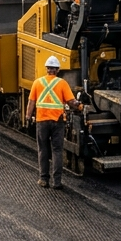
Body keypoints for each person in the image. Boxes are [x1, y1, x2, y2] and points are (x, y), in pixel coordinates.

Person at [26, 56, 75, 188]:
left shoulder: (37, 82)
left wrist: (28, 117)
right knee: (57, 150)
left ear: (47, 69)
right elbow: (71, 102)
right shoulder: (62, 83)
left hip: (42, 121)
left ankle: (43, 179)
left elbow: (31, 102)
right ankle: (57, 182)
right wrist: (79, 105)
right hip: (57, 122)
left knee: (43, 149)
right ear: (57, 70)